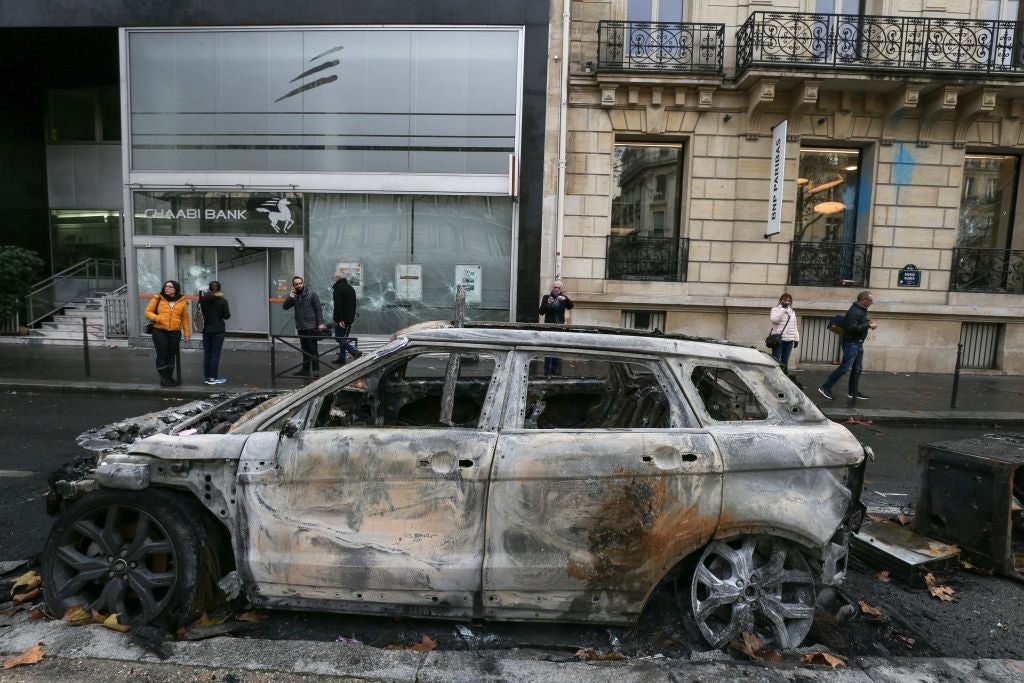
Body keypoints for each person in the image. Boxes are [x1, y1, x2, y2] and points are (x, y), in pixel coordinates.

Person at [818, 291, 879, 401]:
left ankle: (853, 392)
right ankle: (825, 387)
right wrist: (868, 325)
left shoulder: (861, 310)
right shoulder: (854, 311)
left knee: (857, 369)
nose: (872, 302)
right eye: (871, 300)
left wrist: (868, 322)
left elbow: (859, 322)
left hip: (858, 343)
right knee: (844, 368)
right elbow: (851, 328)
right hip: (851, 343)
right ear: (864, 299)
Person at [145, 280, 191, 387]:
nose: (167, 288)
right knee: (162, 355)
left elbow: (185, 318)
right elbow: (147, 312)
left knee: (171, 356)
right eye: (166, 286)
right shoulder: (158, 298)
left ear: (176, 289)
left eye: (170, 286)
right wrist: (157, 318)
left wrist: (187, 333)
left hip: (175, 332)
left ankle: (168, 377)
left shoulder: (182, 301)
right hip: (159, 331)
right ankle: (165, 379)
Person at [282, 275, 325, 377]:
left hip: (311, 326)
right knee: (304, 349)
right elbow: (285, 307)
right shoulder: (295, 296)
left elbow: (318, 309)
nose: (299, 285)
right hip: (301, 327)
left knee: (313, 349)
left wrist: (321, 323)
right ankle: (305, 370)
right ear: (293, 285)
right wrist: (291, 296)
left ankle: (316, 370)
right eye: (296, 284)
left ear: (303, 283)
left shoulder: (312, 295)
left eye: (300, 283)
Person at [199, 280, 231, 385]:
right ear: (219, 288)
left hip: (206, 330)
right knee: (215, 354)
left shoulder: (203, 300)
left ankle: (207, 377)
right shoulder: (222, 301)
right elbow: (227, 316)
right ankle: (213, 377)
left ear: (209, 288)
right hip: (218, 330)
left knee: (207, 354)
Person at [539, 279, 573, 375]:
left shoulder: (563, 297)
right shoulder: (546, 297)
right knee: (547, 349)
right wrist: (548, 304)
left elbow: (571, 306)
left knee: (557, 349)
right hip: (549, 326)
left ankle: (555, 372)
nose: (557, 289)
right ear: (553, 287)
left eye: (559, 287)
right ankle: (546, 372)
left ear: (561, 288)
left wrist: (565, 299)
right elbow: (541, 312)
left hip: (559, 326)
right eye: (555, 287)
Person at [331, 272, 362, 365]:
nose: (334, 279)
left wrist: (339, 319)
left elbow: (338, 305)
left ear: (337, 278)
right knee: (343, 338)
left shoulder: (338, 288)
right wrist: (352, 319)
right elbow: (354, 305)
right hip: (349, 319)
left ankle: (354, 352)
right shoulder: (351, 288)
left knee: (339, 338)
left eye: (335, 278)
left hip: (341, 320)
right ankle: (342, 357)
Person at [769, 292, 800, 377]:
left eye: (789, 301)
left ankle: (784, 377)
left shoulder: (792, 312)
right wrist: (782, 311)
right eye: (785, 300)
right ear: (781, 300)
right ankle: (774, 376)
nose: (787, 302)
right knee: (775, 359)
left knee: (785, 360)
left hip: (789, 340)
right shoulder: (775, 309)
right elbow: (774, 320)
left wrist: (796, 339)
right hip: (778, 340)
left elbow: (795, 326)